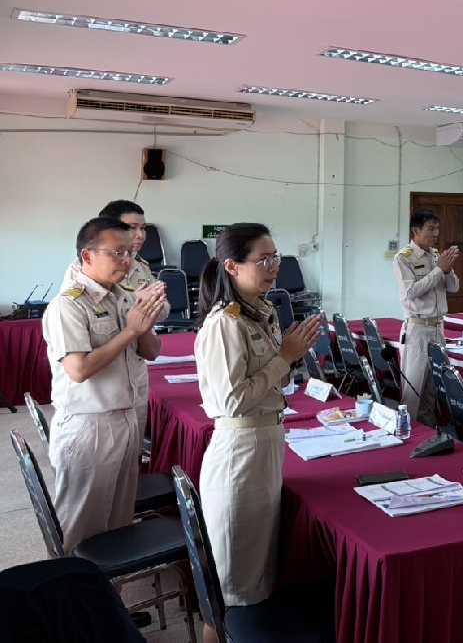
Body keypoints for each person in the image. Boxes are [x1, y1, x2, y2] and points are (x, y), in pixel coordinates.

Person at [194, 224, 321, 623]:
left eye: (275, 257)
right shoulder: (225, 323)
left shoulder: (262, 311)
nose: (274, 267)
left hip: (266, 441)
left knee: (258, 573)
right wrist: (285, 357)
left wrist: (288, 359)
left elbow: (272, 378)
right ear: (231, 266)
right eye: (263, 260)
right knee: (234, 586)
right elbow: (232, 400)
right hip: (240, 452)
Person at [42, 217, 168, 553]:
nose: (127, 261)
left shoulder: (124, 297)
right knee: (81, 527)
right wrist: (129, 331)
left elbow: (151, 352)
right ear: (87, 255)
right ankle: (69, 588)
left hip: (126, 419)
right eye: (117, 253)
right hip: (90, 426)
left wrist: (144, 323)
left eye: (130, 253)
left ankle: (108, 587)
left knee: (118, 523)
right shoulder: (68, 305)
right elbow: (79, 369)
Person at [60, 200, 169, 449]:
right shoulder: (77, 283)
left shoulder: (138, 269)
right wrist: (133, 325)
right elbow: (78, 368)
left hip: (131, 390)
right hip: (94, 411)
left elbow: (157, 320)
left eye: (143, 228)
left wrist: (142, 312)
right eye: (131, 228)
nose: (139, 235)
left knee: (132, 466)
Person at [393, 209, 460, 424]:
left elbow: (454, 287)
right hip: (418, 329)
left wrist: (447, 270)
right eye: (431, 229)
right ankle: (408, 432)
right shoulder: (404, 258)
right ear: (416, 230)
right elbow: (410, 292)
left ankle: (429, 431)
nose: (436, 233)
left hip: (438, 328)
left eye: (437, 228)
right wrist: (439, 270)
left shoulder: (437, 256)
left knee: (434, 387)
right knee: (414, 388)